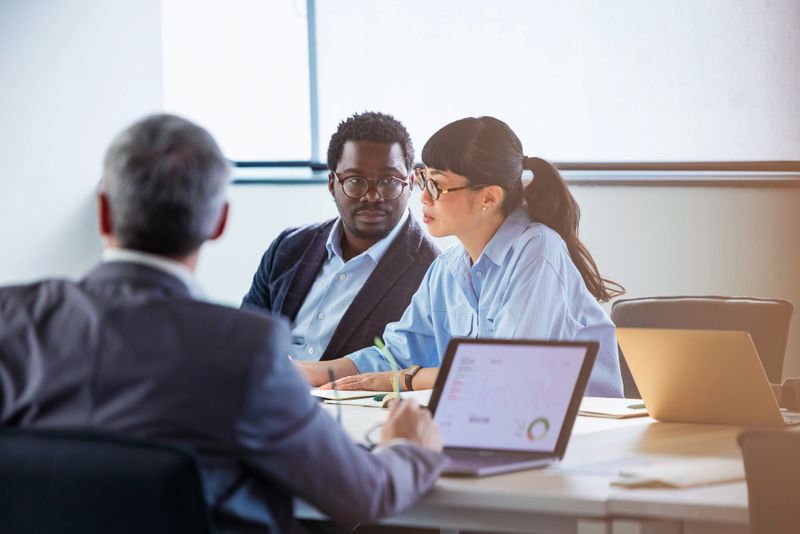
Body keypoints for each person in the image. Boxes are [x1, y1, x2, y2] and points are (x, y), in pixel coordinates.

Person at [0, 114, 446, 533]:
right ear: (219, 220)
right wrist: (407, 446)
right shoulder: (247, 349)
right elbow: (363, 495)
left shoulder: (12, 318)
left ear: (102, 212)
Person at [297, 116, 625, 398]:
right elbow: (394, 355)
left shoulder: (538, 252)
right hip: (495, 428)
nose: (422, 196)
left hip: (578, 434)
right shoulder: (446, 269)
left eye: (437, 185)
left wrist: (406, 380)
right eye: (423, 178)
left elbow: (507, 374)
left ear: (488, 197)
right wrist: (309, 372)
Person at [242, 111, 438, 362]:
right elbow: (246, 341)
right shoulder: (288, 248)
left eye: (389, 180)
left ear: (410, 183)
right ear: (332, 184)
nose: (372, 196)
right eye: (355, 180)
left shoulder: (432, 272)